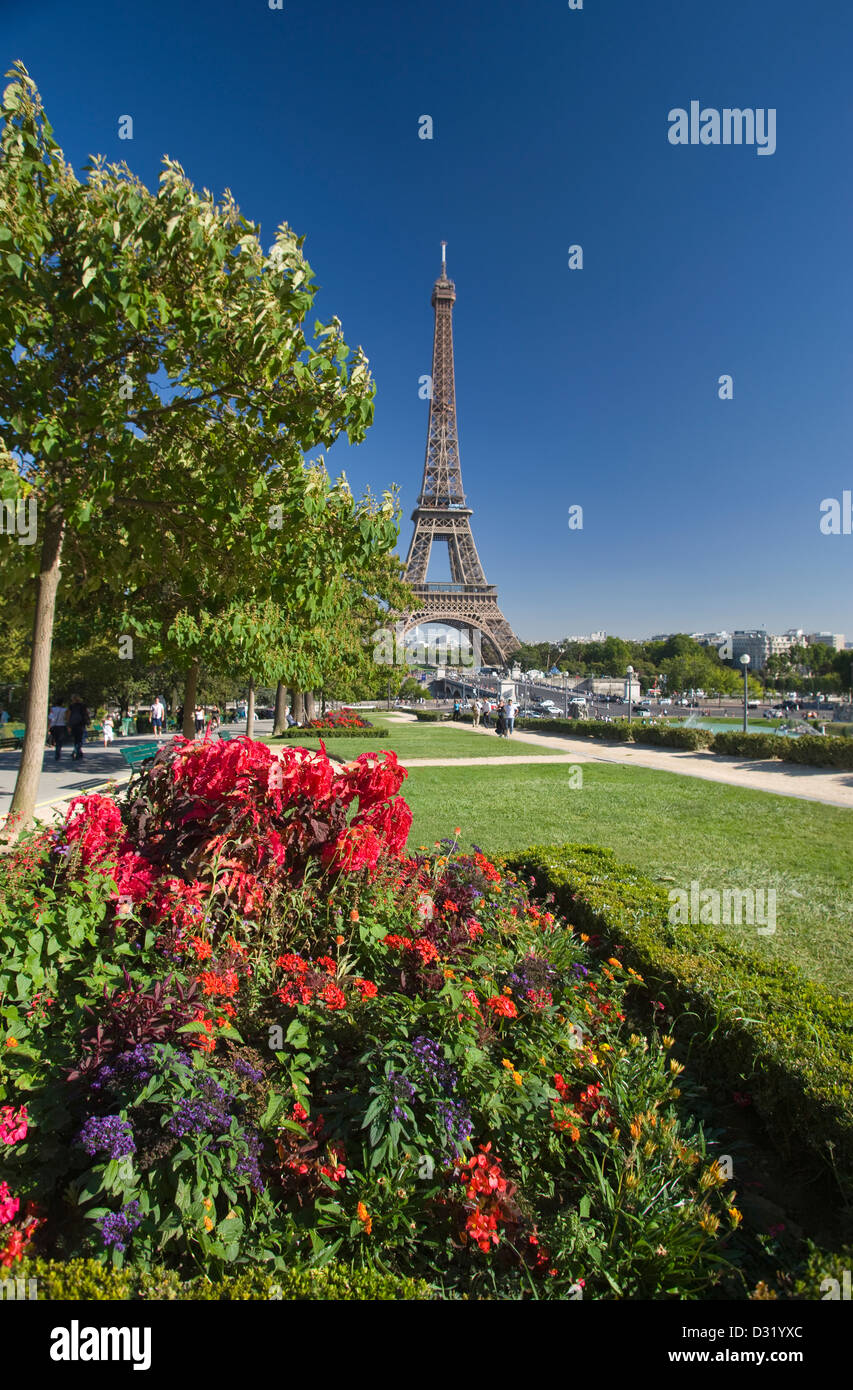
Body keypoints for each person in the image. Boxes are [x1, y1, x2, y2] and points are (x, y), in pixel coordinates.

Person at [67, 695, 90, 760]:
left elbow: (68, 716)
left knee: (76, 739)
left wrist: (68, 725)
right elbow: (86, 714)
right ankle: (76, 752)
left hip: (73, 724)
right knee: (80, 739)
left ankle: (77, 752)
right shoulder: (83, 706)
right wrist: (88, 722)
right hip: (81, 724)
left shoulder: (71, 706)